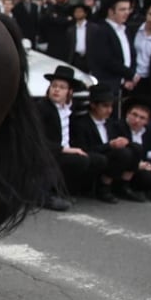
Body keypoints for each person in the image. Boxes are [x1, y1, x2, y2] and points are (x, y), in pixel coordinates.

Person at [34, 66, 100, 209]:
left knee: (97, 159)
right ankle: (47, 194)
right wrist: (65, 149)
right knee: (78, 160)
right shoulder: (42, 108)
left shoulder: (70, 108)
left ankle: (76, 190)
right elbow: (37, 140)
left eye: (62, 87)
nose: (56, 90)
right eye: (54, 86)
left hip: (66, 148)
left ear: (70, 92)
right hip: (49, 152)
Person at [70, 83, 145, 202]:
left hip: (111, 157)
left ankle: (123, 185)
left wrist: (123, 142)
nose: (109, 110)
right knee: (122, 154)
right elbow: (84, 149)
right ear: (93, 105)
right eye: (105, 106)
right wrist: (109, 145)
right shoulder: (81, 124)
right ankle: (103, 187)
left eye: (111, 106)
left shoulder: (111, 123)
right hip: (94, 158)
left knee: (136, 148)